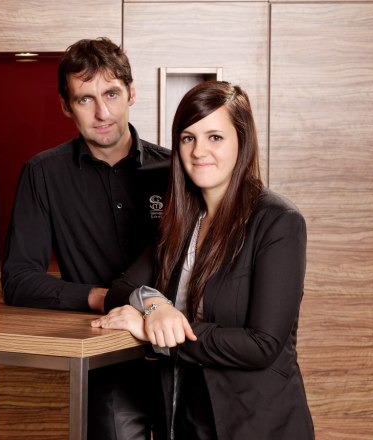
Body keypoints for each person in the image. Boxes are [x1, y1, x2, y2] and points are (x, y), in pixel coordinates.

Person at [92, 81, 314, 439]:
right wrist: (154, 306)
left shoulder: (278, 222)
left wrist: (156, 332)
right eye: (188, 138)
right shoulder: (182, 221)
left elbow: (262, 344)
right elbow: (122, 288)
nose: (199, 151)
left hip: (256, 426)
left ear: (242, 141)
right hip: (184, 421)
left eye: (215, 137)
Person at [1, 37, 169, 440]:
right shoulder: (44, 174)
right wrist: (102, 298)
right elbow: (19, 279)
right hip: (106, 359)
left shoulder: (176, 169)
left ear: (131, 93)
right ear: (66, 106)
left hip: (181, 350)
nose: (102, 112)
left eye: (111, 94)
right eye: (84, 99)